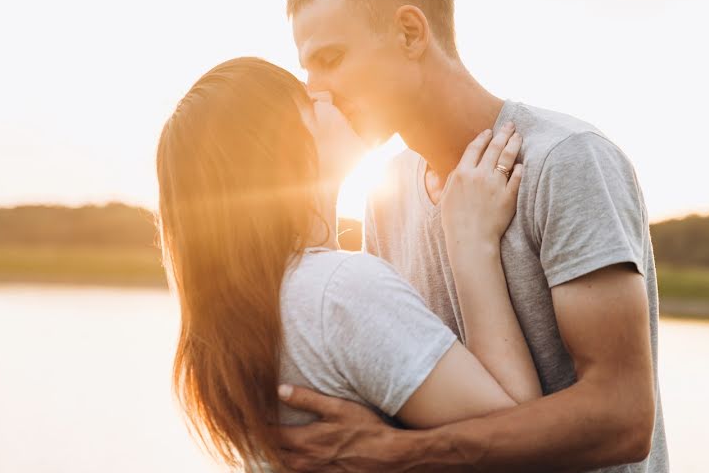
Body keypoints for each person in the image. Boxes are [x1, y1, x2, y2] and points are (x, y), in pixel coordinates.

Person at [276, 0, 668, 472]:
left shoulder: (567, 161)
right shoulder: (385, 199)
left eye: (331, 58)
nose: (317, 91)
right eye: (307, 70)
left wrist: (398, 454)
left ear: (410, 33)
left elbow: (621, 417)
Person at [156, 57, 546, 473]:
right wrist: (471, 244)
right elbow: (523, 439)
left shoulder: (244, 315)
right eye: (306, 100)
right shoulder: (339, 291)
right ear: (283, 144)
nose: (324, 93)